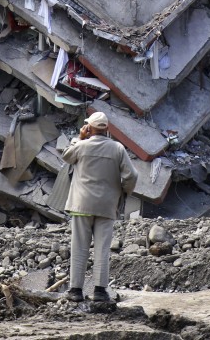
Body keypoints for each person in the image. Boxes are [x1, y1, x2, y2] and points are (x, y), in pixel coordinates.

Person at [62, 111, 137, 302]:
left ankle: (76, 291)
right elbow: (132, 176)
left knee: (79, 247)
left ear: (90, 128)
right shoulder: (118, 148)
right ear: (107, 129)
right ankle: (100, 291)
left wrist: (79, 138)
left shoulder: (81, 146)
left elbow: (66, 157)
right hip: (107, 206)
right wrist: (123, 192)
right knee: (102, 248)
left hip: (81, 204)